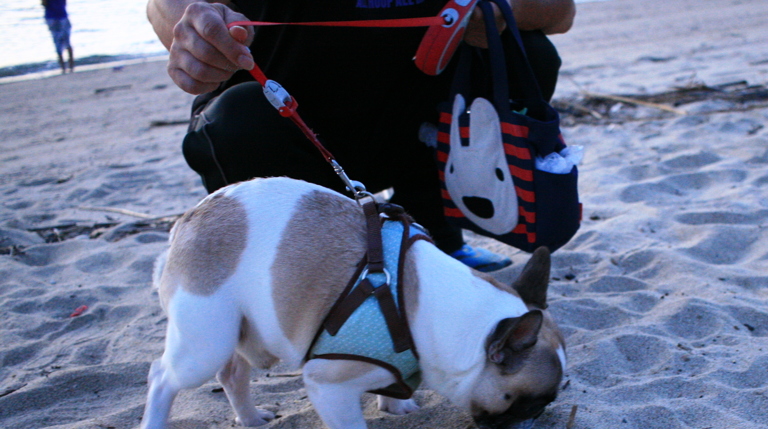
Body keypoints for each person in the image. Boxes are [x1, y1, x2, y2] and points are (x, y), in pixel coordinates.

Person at [147, 0, 575, 272]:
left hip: (408, 127)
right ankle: (328, 267)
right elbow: (163, 5)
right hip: (284, 134)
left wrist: (499, 10)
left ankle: (438, 239)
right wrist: (192, 29)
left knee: (530, 54)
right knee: (236, 117)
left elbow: (560, 10)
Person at [43, 0, 74, 74]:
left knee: (57, 43)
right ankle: (71, 65)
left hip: (51, 17)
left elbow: (44, 3)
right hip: (62, 15)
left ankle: (63, 67)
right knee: (67, 41)